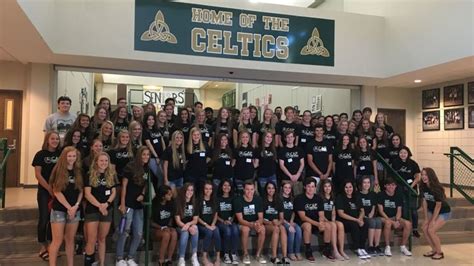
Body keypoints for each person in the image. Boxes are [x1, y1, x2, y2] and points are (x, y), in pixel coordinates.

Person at [115, 147, 151, 266]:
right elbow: (124, 186)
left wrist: (143, 194)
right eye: (143, 154)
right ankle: (119, 258)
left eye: (147, 155)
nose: (146, 157)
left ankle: (130, 257)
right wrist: (123, 203)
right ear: (139, 155)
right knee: (125, 231)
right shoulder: (130, 167)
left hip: (138, 205)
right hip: (128, 203)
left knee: (139, 233)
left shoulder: (147, 168)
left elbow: (146, 184)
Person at [48, 146, 83, 266]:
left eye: (74, 156)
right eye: (69, 156)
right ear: (64, 157)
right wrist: (69, 207)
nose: (72, 158)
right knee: (57, 241)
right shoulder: (59, 170)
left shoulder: (78, 171)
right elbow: (57, 191)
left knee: (70, 240)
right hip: (60, 209)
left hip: (74, 210)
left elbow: (81, 191)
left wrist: (76, 206)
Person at [84, 152, 117, 266]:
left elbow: (113, 192)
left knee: (102, 239)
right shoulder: (89, 174)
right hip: (93, 210)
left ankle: (102, 263)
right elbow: (87, 194)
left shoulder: (111, 175)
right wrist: (100, 206)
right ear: (96, 162)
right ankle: (88, 262)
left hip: (107, 209)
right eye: (101, 160)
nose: (104, 163)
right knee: (92, 239)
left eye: (106, 161)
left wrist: (106, 204)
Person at [32, 131, 61, 261]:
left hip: (58, 190)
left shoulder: (61, 154)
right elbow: (38, 174)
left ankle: (52, 246)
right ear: (47, 140)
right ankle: (43, 246)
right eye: (52, 138)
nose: (55, 141)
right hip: (44, 190)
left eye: (57, 139)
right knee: (44, 218)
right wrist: (48, 187)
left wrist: (55, 188)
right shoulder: (40, 154)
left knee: (53, 219)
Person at [294, 177, 331, 262]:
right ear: (305, 187)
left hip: (316, 221)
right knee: (308, 226)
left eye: (313, 186)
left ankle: (327, 250)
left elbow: (321, 214)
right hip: (303, 222)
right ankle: (308, 250)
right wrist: (318, 224)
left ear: (315, 188)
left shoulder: (318, 198)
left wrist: (321, 222)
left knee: (328, 225)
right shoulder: (299, 198)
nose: (311, 189)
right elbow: (303, 217)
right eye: (309, 186)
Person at [420, 168, 451, 260]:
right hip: (432, 210)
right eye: (422, 175)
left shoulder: (437, 188)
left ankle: (439, 252)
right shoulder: (422, 186)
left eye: (426, 175)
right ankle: (433, 250)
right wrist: (426, 218)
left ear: (431, 176)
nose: (423, 177)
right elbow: (424, 202)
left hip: (443, 211)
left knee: (431, 230)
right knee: (424, 228)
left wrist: (433, 220)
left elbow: (438, 205)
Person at [377, 178, 412, 257]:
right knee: (388, 223)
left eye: (393, 185)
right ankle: (387, 247)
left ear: (396, 186)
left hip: (395, 217)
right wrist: (392, 221)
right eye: (389, 185)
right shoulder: (381, 194)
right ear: (385, 186)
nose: (391, 187)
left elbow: (399, 210)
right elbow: (381, 211)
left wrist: (397, 220)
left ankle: (403, 246)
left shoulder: (398, 195)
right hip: (383, 217)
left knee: (408, 224)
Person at [234, 180, 267, 264]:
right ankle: (245, 254)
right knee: (245, 230)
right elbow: (240, 220)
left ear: (254, 190)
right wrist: (251, 225)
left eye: (252, 189)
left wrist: (257, 223)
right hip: (243, 223)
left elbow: (261, 217)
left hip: (255, 223)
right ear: (244, 190)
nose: (250, 192)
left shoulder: (258, 199)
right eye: (247, 189)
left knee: (262, 229)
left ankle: (259, 254)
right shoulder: (238, 200)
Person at [391, 146, 421, 237]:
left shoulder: (413, 163)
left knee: (413, 210)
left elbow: (417, 177)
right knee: (403, 208)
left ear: (408, 153)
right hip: (400, 188)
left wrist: (410, 186)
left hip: (411, 189)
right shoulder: (395, 163)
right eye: (401, 153)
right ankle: (403, 227)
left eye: (405, 153)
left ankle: (415, 229)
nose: (403, 154)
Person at [335, 180, 369, 259]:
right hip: (345, 220)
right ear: (343, 188)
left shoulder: (356, 196)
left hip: (356, 219)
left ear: (353, 188)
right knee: (354, 224)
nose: (348, 189)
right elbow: (341, 213)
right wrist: (356, 220)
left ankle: (362, 247)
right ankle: (357, 248)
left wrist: (360, 219)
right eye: (346, 187)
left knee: (366, 223)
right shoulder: (340, 197)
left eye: (350, 187)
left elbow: (362, 210)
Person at [318, 179, 347, 260]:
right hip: (323, 220)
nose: (327, 188)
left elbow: (333, 212)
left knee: (340, 225)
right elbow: (321, 214)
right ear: (322, 188)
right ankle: (334, 250)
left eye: (329, 186)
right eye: (325, 186)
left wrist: (333, 220)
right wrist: (329, 221)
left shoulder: (333, 197)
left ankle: (341, 250)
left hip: (331, 219)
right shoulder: (319, 198)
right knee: (333, 225)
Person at [262, 181, 290, 264]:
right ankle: (274, 257)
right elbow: (260, 218)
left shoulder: (279, 200)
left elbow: (281, 218)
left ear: (275, 189)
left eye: (273, 188)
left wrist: (278, 223)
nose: (271, 190)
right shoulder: (262, 200)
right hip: (266, 224)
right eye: (269, 188)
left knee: (283, 229)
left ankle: (284, 256)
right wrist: (270, 223)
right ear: (266, 189)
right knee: (276, 229)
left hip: (276, 223)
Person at [174, 183, 200, 266]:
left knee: (195, 228)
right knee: (185, 233)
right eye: (188, 190)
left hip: (189, 225)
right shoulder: (178, 202)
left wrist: (189, 224)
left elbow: (195, 220)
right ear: (184, 191)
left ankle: (194, 256)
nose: (190, 192)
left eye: (191, 190)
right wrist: (188, 228)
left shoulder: (195, 202)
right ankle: (181, 259)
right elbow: (178, 221)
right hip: (179, 226)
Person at [152, 185, 177, 266]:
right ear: (163, 196)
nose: (171, 196)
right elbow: (150, 222)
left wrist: (169, 227)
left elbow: (171, 218)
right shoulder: (155, 205)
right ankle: (161, 260)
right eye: (169, 194)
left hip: (166, 227)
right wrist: (162, 227)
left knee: (174, 233)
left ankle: (169, 259)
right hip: (155, 228)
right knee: (166, 234)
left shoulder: (171, 203)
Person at [198, 181, 222, 266]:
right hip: (201, 225)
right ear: (203, 189)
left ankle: (218, 257)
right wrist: (206, 225)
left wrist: (213, 224)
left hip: (211, 224)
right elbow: (197, 217)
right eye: (206, 188)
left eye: (210, 189)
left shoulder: (214, 200)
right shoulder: (199, 200)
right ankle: (204, 257)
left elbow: (216, 214)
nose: (208, 191)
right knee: (209, 232)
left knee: (216, 231)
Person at [216, 179, 240, 265]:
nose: (227, 187)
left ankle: (233, 254)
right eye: (224, 185)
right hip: (220, 221)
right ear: (221, 187)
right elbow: (215, 214)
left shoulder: (234, 198)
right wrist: (223, 221)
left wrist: (231, 220)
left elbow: (235, 212)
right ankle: (226, 254)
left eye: (228, 185)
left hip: (231, 221)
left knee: (236, 230)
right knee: (227, 231)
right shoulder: (217, 198)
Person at [358, 176, 383, 256]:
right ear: (361, 184)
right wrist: (363, 216)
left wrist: (371, 213)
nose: (366, 184)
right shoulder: (358, 194)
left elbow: (373, 206)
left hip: (370, 215)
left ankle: (377, 246)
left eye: (368, 182)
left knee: (378, 220)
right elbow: (359, 208)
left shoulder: (372, 194)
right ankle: (370, 246)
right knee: (372, 222)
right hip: (362, 217)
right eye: (364, 182)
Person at [280, 181, 303, 261]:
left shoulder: (292, 199)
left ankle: (297, 252)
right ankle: (290, 252)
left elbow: (293, 212)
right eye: (285, 187)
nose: (287, 189)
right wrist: (288, 224)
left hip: (290, 221)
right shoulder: (279, 199)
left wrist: (291, 221)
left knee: (298, 230)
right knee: (291, 231)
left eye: (289, 187)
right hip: (282, 221)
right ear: (282, 188)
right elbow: (280, 215)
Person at [278, 131, 305, 195]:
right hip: (286, 179)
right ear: (285, 139)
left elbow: (302, 164)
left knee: (298, 198)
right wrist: (290, 176)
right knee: (285, 198)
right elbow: (281, 165)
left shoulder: (299, 150)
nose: (290, 138)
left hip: (298, 178)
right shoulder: (282, 150)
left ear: (294, 138)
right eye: (288, 137)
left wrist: (297, 175)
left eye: (291, 137)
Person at [185, 127, 210, 195]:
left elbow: (209, 157)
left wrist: (203, 163)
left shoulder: (205, 144)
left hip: (202, 174)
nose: (196, 136)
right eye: (194, 135)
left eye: (198, 134)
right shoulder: (187, 146)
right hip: (191, 175)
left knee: (201, 194)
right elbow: (185, 160)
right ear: (191, 136)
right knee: (191, 194)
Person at [143, 112, 165, 185]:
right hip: (152, 157)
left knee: (163, 176)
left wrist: (164, 153)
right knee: (160, 175)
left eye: (152, 119)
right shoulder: (145, 131)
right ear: (146, 121)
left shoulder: (157, 129)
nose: (151, 121)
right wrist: (156, 156)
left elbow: (162, 141)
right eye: (149, 119)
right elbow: (149, 145)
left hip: (161, 155)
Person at [256, 130, 278, 196]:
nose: (269, 138)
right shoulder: (258, 149)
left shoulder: (274, 149)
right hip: (262, 176)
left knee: (274, 194)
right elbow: (256, 164)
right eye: (267, 136)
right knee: (264, 194)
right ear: (263, 138)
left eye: (271, 137)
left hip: (272, 175)